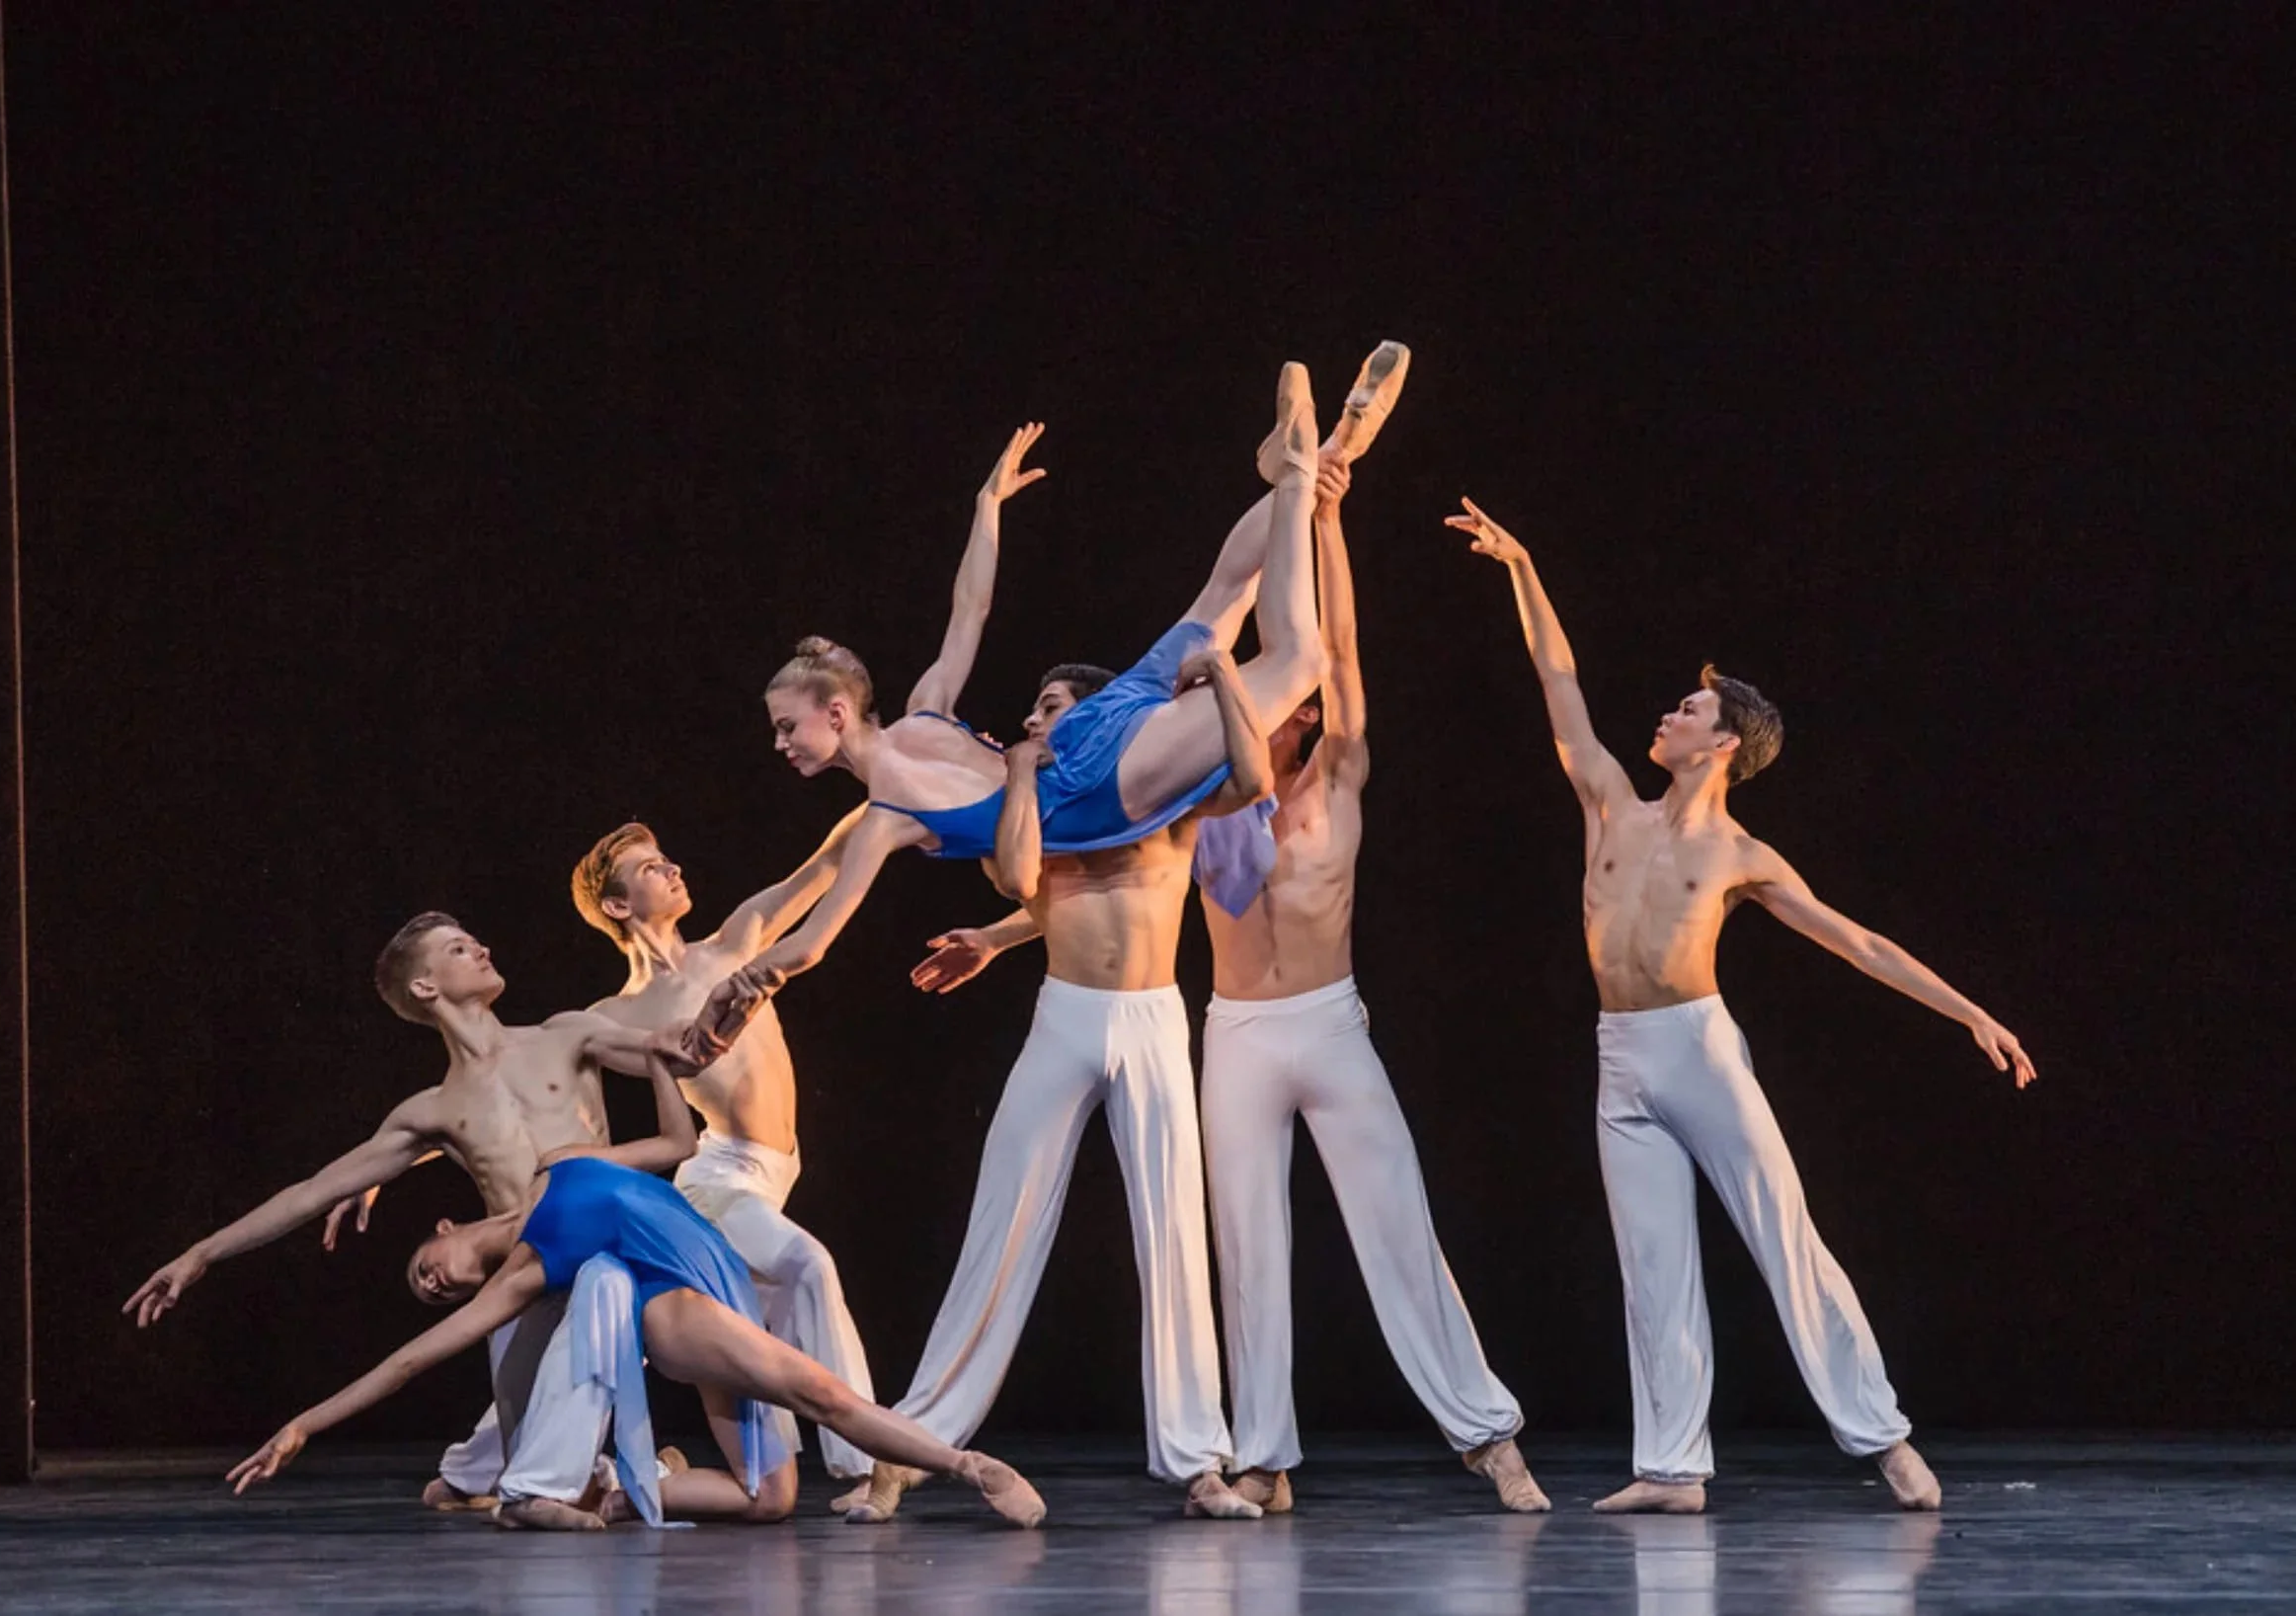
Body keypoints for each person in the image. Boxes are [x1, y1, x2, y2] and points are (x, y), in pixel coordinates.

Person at [1451, 494, 2037, 1514]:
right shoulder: (1607, 798)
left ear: (1722, 744)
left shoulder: (1739, 854)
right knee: (1652, 1263)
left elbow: (1857, 943)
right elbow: (1557, 677)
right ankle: (1672, 1466)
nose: (1668, 715)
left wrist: (1968, 1011)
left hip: (1698, 1052)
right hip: (1620, 1052)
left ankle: (1883, 1436)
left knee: (1784, 1235)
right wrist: (1521, 564)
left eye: (1688, 710)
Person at [734, 355, 1387, 993]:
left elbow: (813, 943)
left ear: (838, 712)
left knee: (1296, 662)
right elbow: (970, 609)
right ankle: (1328, 456)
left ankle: (1300, 476)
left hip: (1098, 780)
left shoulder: (884, 818)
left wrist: (734, 987)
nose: (780, 743)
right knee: (1224, 594)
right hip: (1097, 722)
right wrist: (986, 506)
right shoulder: (925, 708)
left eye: (788, 725)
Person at [123, 913, 754, 1525]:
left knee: (543, 1474)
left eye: (474, 941)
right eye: (457, 948)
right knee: (525, 1472)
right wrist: (200, 1254)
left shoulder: (565, 1034)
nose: (480, 949)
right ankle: (622, 1474)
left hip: (605, 1256)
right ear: (426, 987)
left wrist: (725, 1005)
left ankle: (628, 1472)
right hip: (524, 1278)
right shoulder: (431, 1111)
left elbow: (675, 1050)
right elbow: (310, 1191)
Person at [1194, 457, 1547, 1515]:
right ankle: (1262, 1455)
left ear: (1301, 718)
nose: (1271, 709)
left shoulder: (1336, 776)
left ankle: (1487, 1434)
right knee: (1248, 1245)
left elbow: (1340, 650)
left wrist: (1330, 519)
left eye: (1283, 702)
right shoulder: (1201, 797)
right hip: (1238, 1031)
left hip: (1328, 1024)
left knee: (1396, 1221)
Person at [855, 636, 1274, 1522]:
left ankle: (1199, 1461)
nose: (1033, 719)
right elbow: (1022, 880)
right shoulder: (1033, 794)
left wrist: (1231, 679)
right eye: (1034, 710)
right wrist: (1016, 777)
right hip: (1066, 1016)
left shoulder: (1154, 790)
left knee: (1173, 1232)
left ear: (1093, 714)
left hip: (1152, 1016)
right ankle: (913, 1448)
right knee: (999, 1220)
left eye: (1048, 707)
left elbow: (1249, 781)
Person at [228, 1147, 1048, 1532]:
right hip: (679, 1307)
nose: (434, 1281)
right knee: (821, 1393)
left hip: (723, 1277)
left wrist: (664, 1054)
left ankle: (625, 1488)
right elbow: (408, 1362)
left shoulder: (556, 1162)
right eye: (430, 1291)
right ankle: (967, 1467)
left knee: (771, 1502)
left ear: (446, 1225)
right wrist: (306, 1423)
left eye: (423, 1266)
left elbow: (672, 1139)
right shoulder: (523, 1275)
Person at [567, 810, 880, 1497]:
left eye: (666, 857)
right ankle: (870, 1463)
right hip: (718, 1180)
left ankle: (638, 1473)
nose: (672, 868)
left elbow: (824, 864)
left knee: (745, 1340)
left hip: (773, 1175)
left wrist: (886, 781)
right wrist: (421, 1152)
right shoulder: (612, 1016)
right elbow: (522, 1073)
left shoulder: (734, 941)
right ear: (618, 905)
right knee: (807, 1266)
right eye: (651, 868)